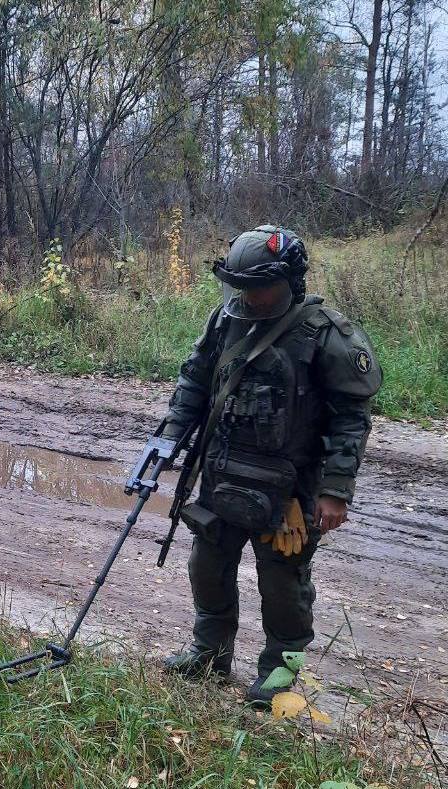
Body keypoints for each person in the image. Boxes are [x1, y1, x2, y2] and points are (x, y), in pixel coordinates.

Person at [160, 225, 382, 706]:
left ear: (289, 282)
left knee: (283, 583)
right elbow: (195, 380)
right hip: (222, 471)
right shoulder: (226, 321)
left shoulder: (326, 335)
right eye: (241, 287)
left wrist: (335, 489)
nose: (249, 297)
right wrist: (169, 439)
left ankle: (281, 669)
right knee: (207, 566)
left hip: (289, 488)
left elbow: (351, 417)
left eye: (260, 287)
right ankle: (209, 652)